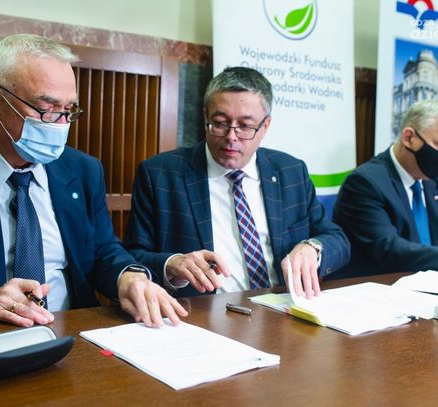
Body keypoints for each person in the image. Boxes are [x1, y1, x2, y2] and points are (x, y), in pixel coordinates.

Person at [0, 34, 186, 328]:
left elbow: (102, 250)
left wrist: (128, 277)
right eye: (47, 109)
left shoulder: (83, 170)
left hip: (72, 333)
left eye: (69, 110)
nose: (61, 125)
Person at [124, 66, 350, 298]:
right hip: (202, 311)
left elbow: (337, 240)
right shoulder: (160, 174)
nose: (231, 137)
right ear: (205, 117)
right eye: (220, 123)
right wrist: (172, 263)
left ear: (265, 126)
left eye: (245, 126)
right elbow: (133, 256)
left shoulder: (290, 172)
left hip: (281, 306)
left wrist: (313, 248)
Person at [333, 99, 438, 278]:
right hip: (379, 286)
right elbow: (389, 250)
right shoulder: (365, 183)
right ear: (409, 138)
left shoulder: (431, 180)